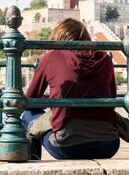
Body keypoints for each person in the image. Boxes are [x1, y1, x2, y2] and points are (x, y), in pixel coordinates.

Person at [22, 18, 120, 160]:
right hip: (108, 145)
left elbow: (30, 100)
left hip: (66, 147)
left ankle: (33, 156)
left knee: (28, 115)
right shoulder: (105, 58)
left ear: (58, 38)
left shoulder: (52, 57)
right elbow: (111, 98)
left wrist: (53, 100)